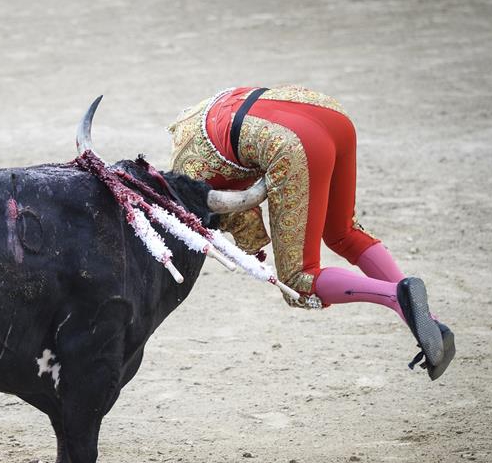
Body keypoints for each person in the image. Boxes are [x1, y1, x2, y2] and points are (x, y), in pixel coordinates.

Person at [168, 85, 455, 380]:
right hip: (330, 114)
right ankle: (430, 324)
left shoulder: (192, 174)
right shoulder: (200, 120)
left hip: (293, 143)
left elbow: (233, 208)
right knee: (344, 233)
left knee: (299, 280)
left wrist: (249, 243)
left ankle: (395, 295)